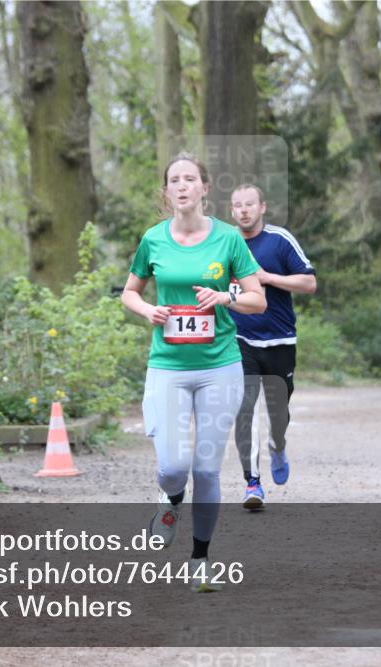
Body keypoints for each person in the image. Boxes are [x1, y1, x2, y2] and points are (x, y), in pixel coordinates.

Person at [121, 153, 266, 590]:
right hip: (167, 366)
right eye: (174, 181)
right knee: (173, 465)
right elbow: (130, 292)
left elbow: (257, 299)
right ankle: (170, 499)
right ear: (167, 192)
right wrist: (148, 309)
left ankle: (200, 558)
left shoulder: (227, 239)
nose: (182, 186)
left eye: (190, 179)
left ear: (204, 188)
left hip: (219, 365)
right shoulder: (153, 239)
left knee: (206, 468)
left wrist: (226, 299)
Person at [229, 185, 316, 510]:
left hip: (279, 341)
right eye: (237, 205)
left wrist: (267, 277)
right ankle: (252, 483)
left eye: (249, 204)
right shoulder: (226, 243)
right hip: (239, 340)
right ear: (232, 210)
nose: (244, 210)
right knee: (245, 410)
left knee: (278, 416)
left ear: (262, 207)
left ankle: (277, 445)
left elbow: (309, 283)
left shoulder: (280, 240)